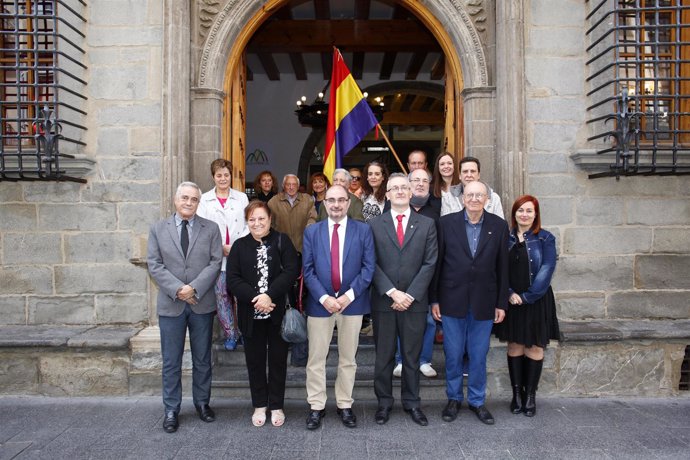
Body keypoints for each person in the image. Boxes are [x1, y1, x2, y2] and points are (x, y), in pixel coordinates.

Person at [431, 180, 509, 426]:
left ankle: (477, 401)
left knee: (478, 355)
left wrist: (501, 303)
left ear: (487, 199)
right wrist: (434, 299)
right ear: (463, 198)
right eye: (470, 194)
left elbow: (502, 268)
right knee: (453, 355)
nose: (474, 199)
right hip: (451, 300)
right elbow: (437, 264)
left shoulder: (499, 226)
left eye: (480, 195)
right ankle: (453, 398)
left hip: (484, 303)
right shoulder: (445, 224)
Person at [147, 181, 223, 433]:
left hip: (201, 303)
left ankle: (202, 403)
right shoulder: (158, 229)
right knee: (171, 360)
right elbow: (154, 264)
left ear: (198, 202)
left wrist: (194, 289)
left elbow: (215, 262)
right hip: (171, 304)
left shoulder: (211, 228)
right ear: (175, 199)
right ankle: (171, 408)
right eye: (185, 198)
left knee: (202, 358)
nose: (189, 202)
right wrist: (180, 289)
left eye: (194, 199)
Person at [302, 185, 375, 430]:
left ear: (348, 203)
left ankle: (344, 404)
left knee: (348, 358)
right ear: (324, 203)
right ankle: (316, 405)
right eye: (331, 200)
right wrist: (325, 298)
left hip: (352, 305)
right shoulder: (312, 232)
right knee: (316, 358)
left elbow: (368, 268)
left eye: (341, 200)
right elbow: (308, 270)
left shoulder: (363, 230)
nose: (336, 204)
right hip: (320, 304)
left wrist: (348, 296)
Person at [369, 173, 438, 427]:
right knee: (384, 356)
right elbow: (371, 263)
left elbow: (430, 262)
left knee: (411, 356)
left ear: (411, 193)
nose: (399, 191)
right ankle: (384, 403)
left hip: (414, 302)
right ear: (386, 195)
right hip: (384, 301)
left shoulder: (427, 224)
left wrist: (409, 295)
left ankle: (412, 403)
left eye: (403, 187)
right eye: (393, 188)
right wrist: (391, 292)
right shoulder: (374, 225)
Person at [226, 201, 300, 428]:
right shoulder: (239, 246)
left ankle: (276, 405)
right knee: (255, 361)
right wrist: (257, 299)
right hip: (251, 314)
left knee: (278, 361)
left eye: (261, 219)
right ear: (246, 221)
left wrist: (269, 296)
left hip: (277, 312)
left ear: (270, 219)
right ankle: (259, 404)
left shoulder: (282, 241)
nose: (257, 223)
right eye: (252, 219)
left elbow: (291, 271)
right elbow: (233, 279)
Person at [494, 195, 560, 417]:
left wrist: (527, 297)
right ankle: (516, 395)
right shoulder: (505, 238)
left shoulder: (545, 238)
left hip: (536, 300)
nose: (524, 214)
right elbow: (498, 269)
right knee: (514, 346)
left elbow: (547, 269)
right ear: (514, 214)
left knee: (534, 347)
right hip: (512, 300)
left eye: (529, 211)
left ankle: (530, 396)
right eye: (520, 210)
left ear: (536, 214)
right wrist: (511, 294)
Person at [391, 168, 441, 379]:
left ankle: (424, 360)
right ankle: (400, 359)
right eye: (415, 180)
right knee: (399, 321)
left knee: (428, 321)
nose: (420, 184)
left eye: (424, 181)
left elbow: (438, 251)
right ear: (409, 186)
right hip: (397, 279)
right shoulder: (392, 209)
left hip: (427, 278)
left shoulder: (436, 212)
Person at [197, 159, 249, 351]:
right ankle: (231, 334)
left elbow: (247, 225)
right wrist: (220, 247)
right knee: (221, 295)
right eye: (219, 175)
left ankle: (244, 332)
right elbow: (202, 228)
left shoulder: (242, 198)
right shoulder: (204, 199)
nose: (223, 179)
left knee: (241, 296)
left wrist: (235, 247)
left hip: (239, 256)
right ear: (213, 177)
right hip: (216, 257)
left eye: (226, 175)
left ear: (231, 176)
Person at [267, 174, 317, 253]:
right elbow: (269, 224)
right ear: (283, 186)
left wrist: (310, 226)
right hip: (281, 249)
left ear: (298, 186)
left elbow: (313, 217)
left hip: (303, 247)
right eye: (288, 184)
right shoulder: (273, 202)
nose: (291, 187)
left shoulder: (307, 199)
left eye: (294, 184)